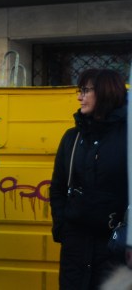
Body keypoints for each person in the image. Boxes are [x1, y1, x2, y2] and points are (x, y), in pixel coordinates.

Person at [50, 68, 128, 289]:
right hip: (75, 244)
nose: (79, 97)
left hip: (115, 246)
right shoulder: (72, 137)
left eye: (85, 90)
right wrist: (62, 227)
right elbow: (57, 187)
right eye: (79, 90)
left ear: (105, 92)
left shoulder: (128, 135)